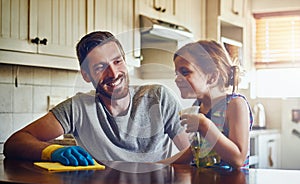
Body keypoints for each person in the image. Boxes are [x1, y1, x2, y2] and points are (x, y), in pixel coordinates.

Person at [3, 31, 191, 166]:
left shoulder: (159, 98)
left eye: (117, 61)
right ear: (86, 75)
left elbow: (189, 154)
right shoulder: (78, 108)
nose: (113, 73)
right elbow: (14, 143)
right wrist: (52, 151)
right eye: (100, 67)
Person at [173, 40, 253, 169]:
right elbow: (195, 151)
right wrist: (155, 166)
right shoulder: (200, 106)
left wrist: (204, 125)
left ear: (212, 77)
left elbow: (238, 159)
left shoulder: (235, 104)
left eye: (185, 71)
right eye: (176, 73)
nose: (177, 78)